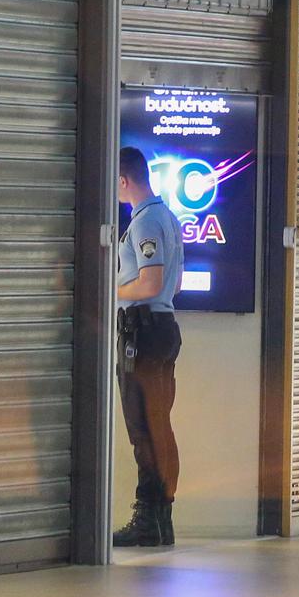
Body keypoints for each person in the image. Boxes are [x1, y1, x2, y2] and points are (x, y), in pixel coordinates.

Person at [113, 146, 184, 548]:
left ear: (124, 180)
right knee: (159, 425)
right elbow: (175, 284)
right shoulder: (168, 217)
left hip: (143, 334)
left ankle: (146, 518)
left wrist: (112, 289)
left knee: (143, 428)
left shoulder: (145, 222)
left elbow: (151, 283)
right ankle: (161, 519)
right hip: (163, 329)